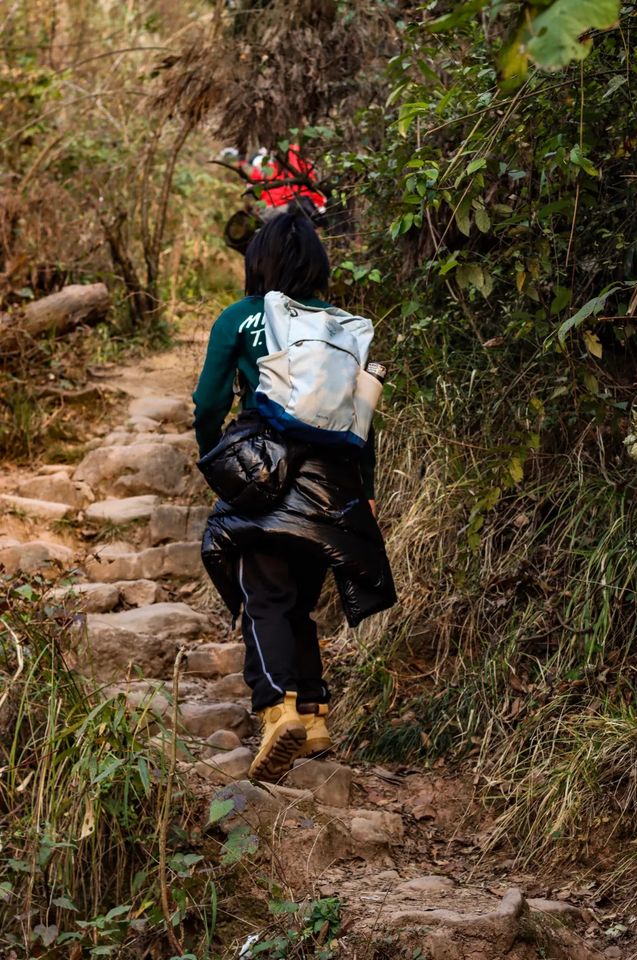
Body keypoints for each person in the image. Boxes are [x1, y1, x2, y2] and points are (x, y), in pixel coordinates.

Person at [193, 212, 396, 782]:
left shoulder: (240, 318)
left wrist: (220, 462)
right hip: (334, 484)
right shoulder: (341, 327)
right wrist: (366, 495)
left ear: (257, 262)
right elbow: (363, 417)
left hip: (266, 475)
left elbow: (208, 404)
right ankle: (315, 716)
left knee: (263, 597)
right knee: (298, 601)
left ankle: (277, 709)